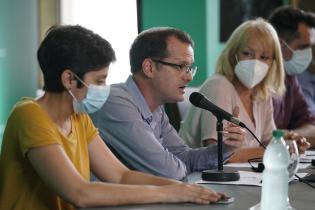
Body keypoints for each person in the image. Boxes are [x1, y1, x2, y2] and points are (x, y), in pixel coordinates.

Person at [0, 25, 225, 210]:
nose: (104, 88)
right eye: (99, 80)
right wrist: (170, 192)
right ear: (69, 80)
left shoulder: (79, 118)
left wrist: (183, 189)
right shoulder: (29, 114)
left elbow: (121, 175)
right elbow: (80, 193)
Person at [90, 27, 245, 180]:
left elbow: (185, 158)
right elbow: (169, 172)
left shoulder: (157, 109)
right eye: (180, 67)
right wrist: (182, 165)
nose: (189, 77)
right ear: (149, 68)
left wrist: (226, 148)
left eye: (190, 68)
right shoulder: (115, 103)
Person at [179, 18, 286, 162]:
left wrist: (287, 143)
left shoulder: (262, 92)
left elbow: (268, 140)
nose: (255, 63)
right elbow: (218, 156)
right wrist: (276, 151)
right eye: (247, 53)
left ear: (273, 62)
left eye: (264, 57)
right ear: (232, 54)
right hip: (196, 178)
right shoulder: (219, 86)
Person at [269, 6, 315, 149]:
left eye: (311, 47)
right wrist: (286, 138)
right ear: (280, 44)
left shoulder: (289, 77)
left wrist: (289, 136)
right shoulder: (254, 79)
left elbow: (311, 126)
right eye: (303, 47)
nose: (309, 54)